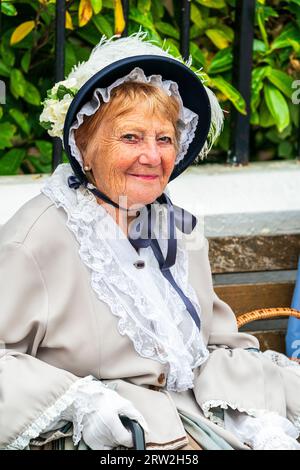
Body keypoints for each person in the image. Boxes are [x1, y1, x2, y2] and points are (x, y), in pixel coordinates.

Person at [0, 30, 299, 451]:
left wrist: (259, 422)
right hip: (118, 440)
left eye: (164, 139)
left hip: (199, 422)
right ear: (83, 147)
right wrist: (84, 405)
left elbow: (216, 345)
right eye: (130, 137)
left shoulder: (177, 227)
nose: (152, 156)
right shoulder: (35, 238)